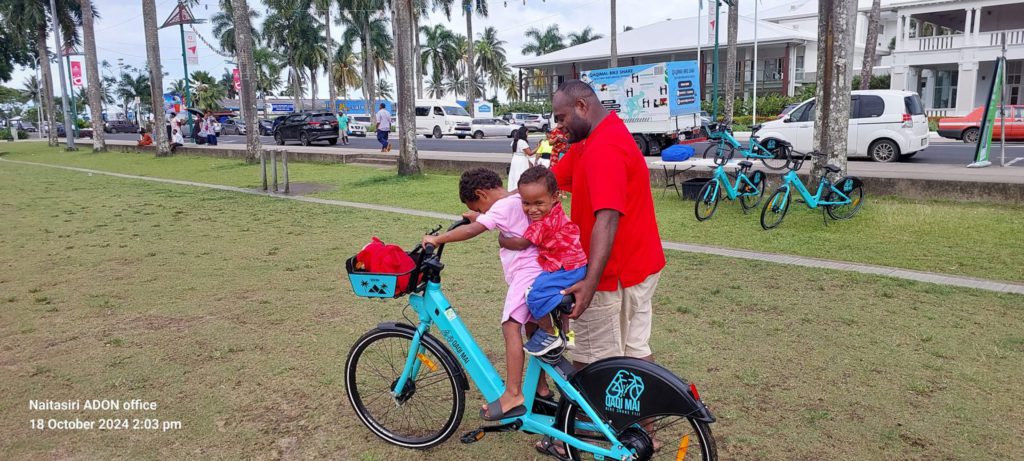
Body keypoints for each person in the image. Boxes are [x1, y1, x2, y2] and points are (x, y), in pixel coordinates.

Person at [531, 79, 667, 457]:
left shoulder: (605, 147)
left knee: (591, 361)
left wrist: (589, 285)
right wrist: (499, 203)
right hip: (640, 264)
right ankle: (647, 435)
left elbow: (607, 219)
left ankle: (575, 441)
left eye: (561, 118)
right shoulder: (593, 137)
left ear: (582, 106)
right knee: (635, 352)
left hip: (613, 274)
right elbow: (551, 182)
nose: (558, 126)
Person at [421, 168, 543, 422]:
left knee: (511, 326)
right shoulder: (515, 200)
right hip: (542, 272)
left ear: (481, 194)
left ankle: (513, 393)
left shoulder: (500, 208)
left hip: (527, 275)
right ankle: (541, 389)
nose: (482, 212)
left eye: (478, 206)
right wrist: (480, 214)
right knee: (533, 329)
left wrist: (438, 239)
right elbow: (497, 215)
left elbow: (471, 231)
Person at [498, 166, 587, 356]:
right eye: (526, 203)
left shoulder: (543, 224)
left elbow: (521, 244)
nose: (532, 209)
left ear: (555, 197)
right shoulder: (556, 210)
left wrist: (501, 239)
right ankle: (566, 332)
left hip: (566, 268)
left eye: (538, 203)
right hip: (573, 265)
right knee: (549, 292)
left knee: (533, 295)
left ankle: (549, 333)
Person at [508, 126, 533, 191]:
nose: (527, 134)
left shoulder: (515, 141)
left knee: (514, 174)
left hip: (515, 159)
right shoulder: (522, 142)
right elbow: (530, 153)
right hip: (521, 160)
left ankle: (513, 188)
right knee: (521, 173)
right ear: (524, 133)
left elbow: (513, 152)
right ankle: (520, 188)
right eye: (527, 132)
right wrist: (538, 147)